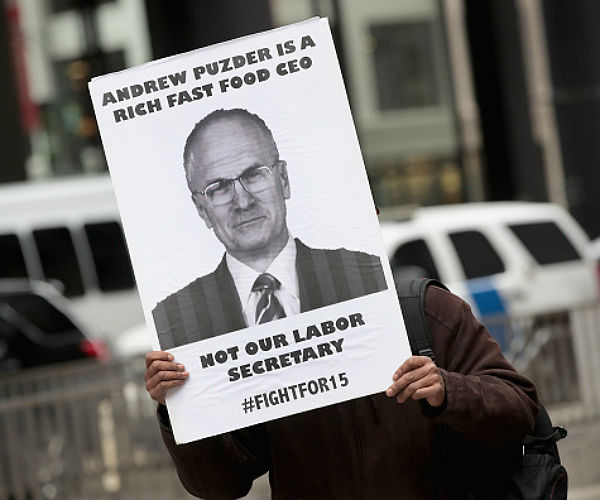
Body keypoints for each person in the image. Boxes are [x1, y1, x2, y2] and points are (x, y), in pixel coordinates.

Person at [145, 283, 539, 499]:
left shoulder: (426, 312)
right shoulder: (255, 344)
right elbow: (219, 485)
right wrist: (178, 406)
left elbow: (519, 409)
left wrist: (448, 391)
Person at [152, 108, 387, 349]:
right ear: (202, 209)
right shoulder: (173, 320)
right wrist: (162, 374)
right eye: (219, 187)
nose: (243, 202)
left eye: (253, 175)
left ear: (283, 179)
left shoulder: (370, 278)